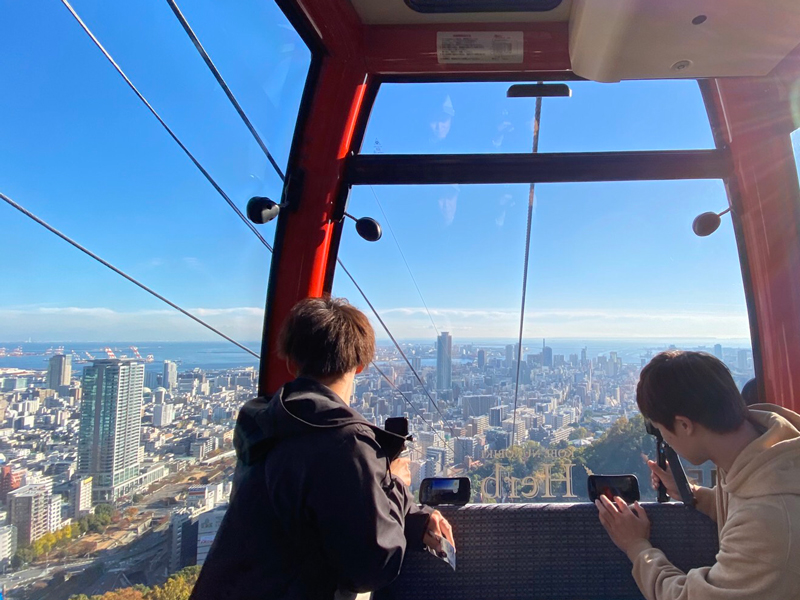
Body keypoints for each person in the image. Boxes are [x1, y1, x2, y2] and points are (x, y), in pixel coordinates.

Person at [190, 297, 454, 600]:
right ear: (361, 366)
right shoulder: (344, 440)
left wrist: (417, 516)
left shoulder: (264, 423)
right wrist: (394, 482)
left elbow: (325, 511)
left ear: (291, 362)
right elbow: (373, 566)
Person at [595, 350, 800, 600]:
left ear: (684, 425)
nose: (665, 440)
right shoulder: (760, 453)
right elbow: (746, 506)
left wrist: (637, 548)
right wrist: (693, 494)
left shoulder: (770, 519)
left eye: (660, 430)